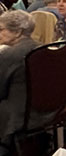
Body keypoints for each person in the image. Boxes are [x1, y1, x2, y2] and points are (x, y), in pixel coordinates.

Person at [0, 11, 41, 146]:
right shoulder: (41, 47)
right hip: (49, 110)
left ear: (17, 32)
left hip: (18, 115)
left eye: (1, 29)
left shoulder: (9, 55)